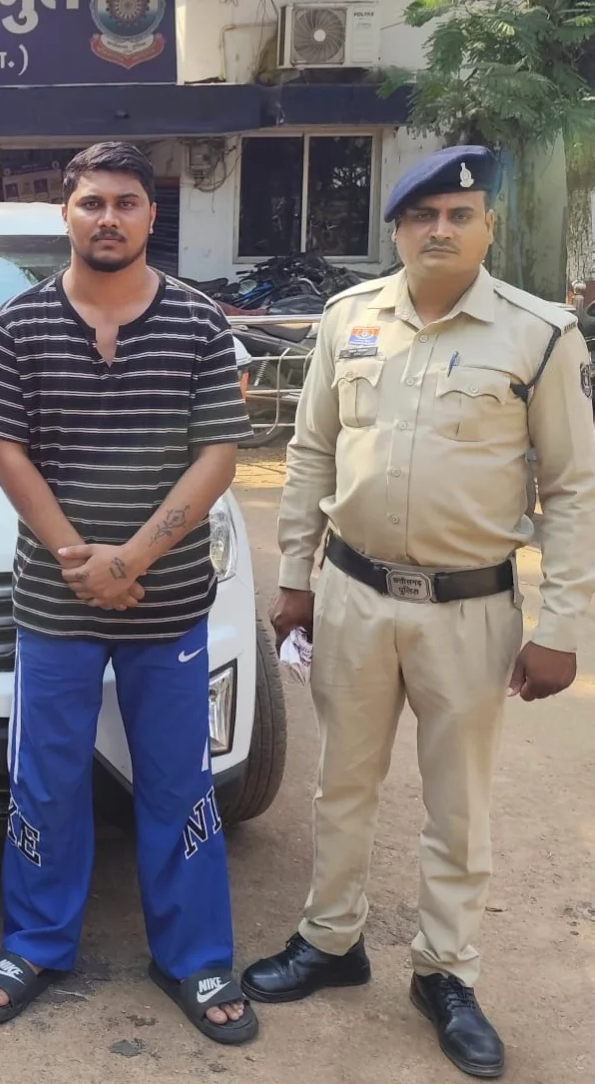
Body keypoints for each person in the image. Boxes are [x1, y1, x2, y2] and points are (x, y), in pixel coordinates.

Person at [242, 145, 595, 1079]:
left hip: (469, 608)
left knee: (456, 803)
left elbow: (573, 489)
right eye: (423, 216)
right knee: (342, 785)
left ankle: (445, 972)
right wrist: (294, 576)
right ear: (397, 229)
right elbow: (310, 452)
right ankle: (331, 939)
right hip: (354, 595)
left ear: (488, 228)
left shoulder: (540, 334)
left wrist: (561, 627)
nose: (441, 230)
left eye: (459, 215)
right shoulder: (348, 320)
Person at [0, 142, 257, 1044]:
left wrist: (131, 560)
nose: (109, 218)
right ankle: (36, 943)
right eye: (92, 202)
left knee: (179, 784)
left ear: (152, 215)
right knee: (46, 783)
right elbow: (5, 450)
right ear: (68, 214)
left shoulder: (198, 322)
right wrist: (77, 558)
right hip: (55, 604)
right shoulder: (18, 324)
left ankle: (195, 956)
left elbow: (217, 456)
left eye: (126, 202)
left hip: (169, 603)